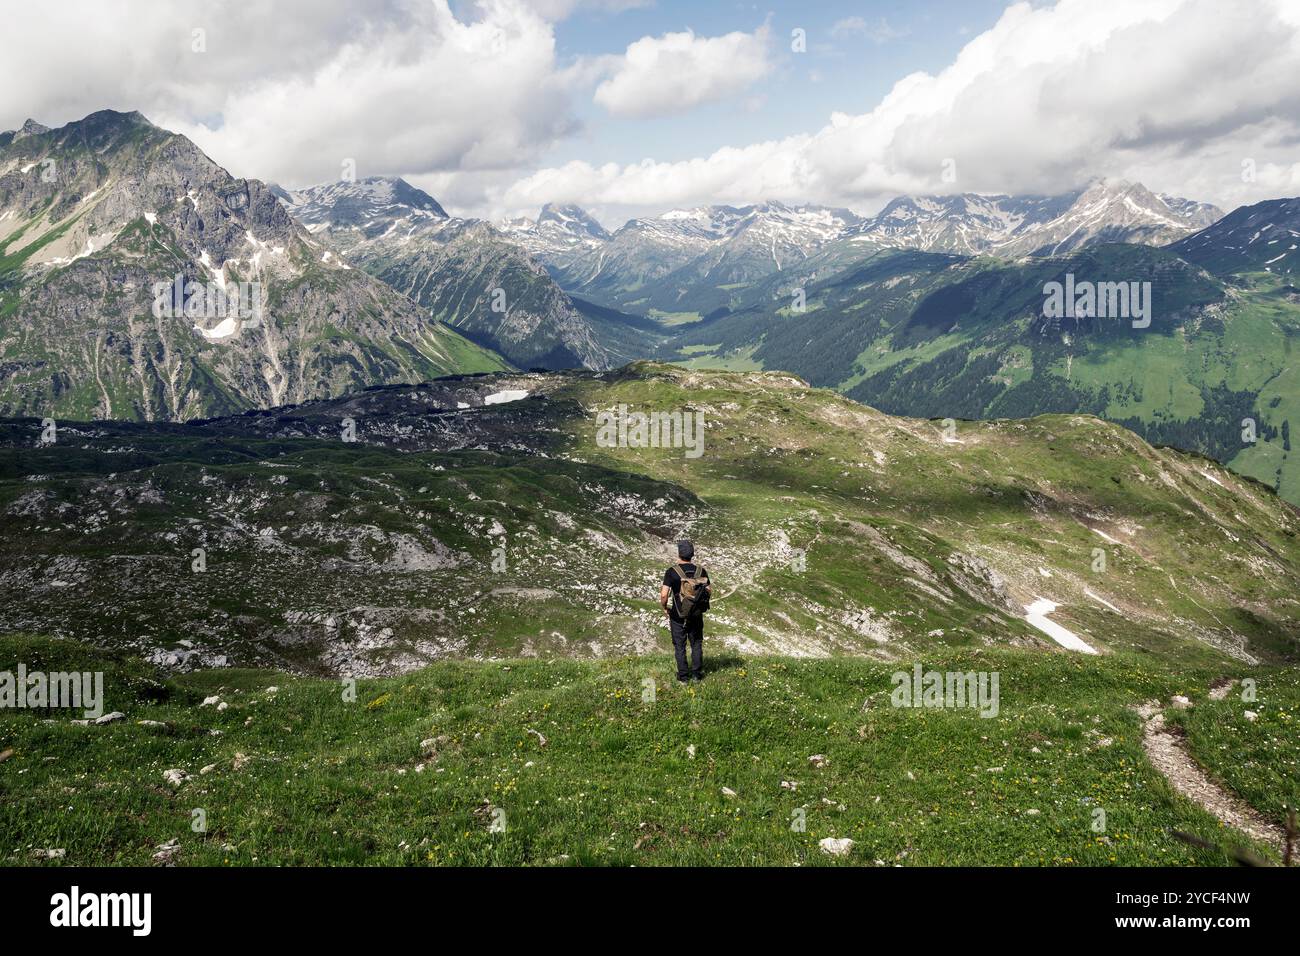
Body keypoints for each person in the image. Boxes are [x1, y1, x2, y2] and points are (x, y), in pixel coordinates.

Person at [660, 539, 710, 683]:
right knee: (696, 643)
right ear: (692, 554)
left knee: (680, 645)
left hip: (677, 614)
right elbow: (709, 591)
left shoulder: (672, 572)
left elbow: (664, 594)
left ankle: (683, 677)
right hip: (695, 614)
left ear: (679, 553)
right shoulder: (701, 571)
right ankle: (696, 675)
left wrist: (664, 607)